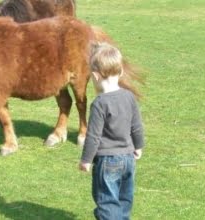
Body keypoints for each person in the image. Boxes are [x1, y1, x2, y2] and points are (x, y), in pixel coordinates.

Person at [79, 43, 145, 220]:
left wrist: (86, 160)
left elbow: (93, 136)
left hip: (107, 161)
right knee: (124, 201)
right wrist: (138, 146)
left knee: (107, 203)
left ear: (95, 76)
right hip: (128, 158)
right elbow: (137, 125)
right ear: (121, 72)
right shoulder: (129, 97)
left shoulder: (100, 103)